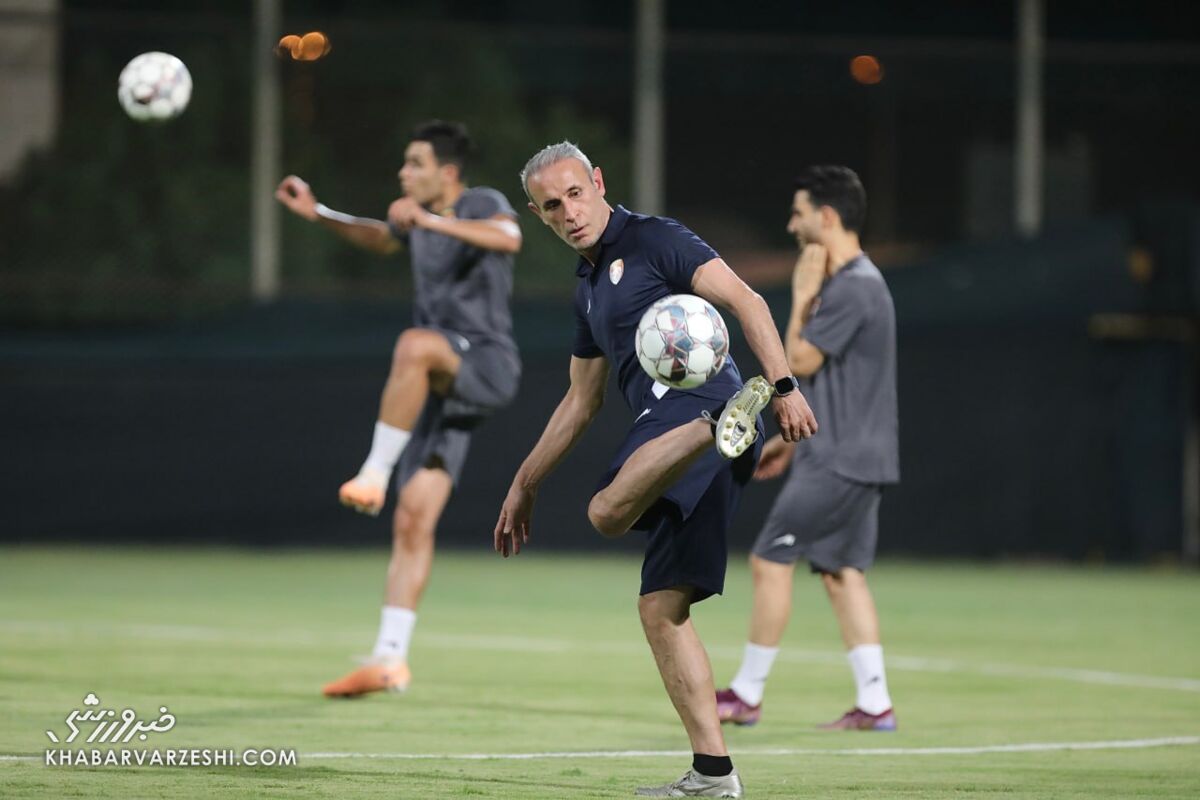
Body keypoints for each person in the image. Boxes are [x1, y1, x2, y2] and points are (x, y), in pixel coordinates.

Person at [494, 142, 818, 798]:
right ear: (537, 214)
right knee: (661, 609)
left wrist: (784, 387)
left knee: (606, 512)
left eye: (576, 193)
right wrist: (524, 482)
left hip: (697, 408)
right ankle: (713, 775)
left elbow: (748, 300)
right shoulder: (588, 292)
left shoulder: (654, 239)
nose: (569, 212)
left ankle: (720, 422)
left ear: (598, 182)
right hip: (703, 435)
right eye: (552, 205)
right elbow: (580, 402)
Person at [275, 120, 523, 697]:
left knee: (414, 344)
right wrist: (319, 214)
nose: (403, 173)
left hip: (485, 363)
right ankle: (390, 658)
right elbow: (382, 238)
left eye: (415, 163)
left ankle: (373, 472)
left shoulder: (478, 202)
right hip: (443, 389)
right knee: (412, 518)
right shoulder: (416, 220)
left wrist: (430, 221)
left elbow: (509, 236)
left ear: (447, 172)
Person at [716, 165, 900, 731]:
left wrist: (800, 296)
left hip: (840, 458)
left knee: (769, 559)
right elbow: (845, 387)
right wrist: (792, 446)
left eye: (798, 214)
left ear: (826, 216)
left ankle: (746, 694)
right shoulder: (860, 282)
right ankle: (876, 703)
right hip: (857, 454)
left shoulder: (853, 286)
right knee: (841, 572)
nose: (792, 225)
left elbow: (798, 363)